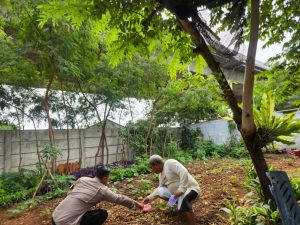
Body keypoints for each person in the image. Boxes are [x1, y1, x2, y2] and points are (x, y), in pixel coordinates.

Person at [52, 165, 143, 225]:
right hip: (65, 223)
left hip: (56, 216)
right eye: (108, 177)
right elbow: (119, 199)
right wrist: (136, 203)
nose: (108, 179)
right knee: (102, 214)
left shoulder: (82, 179)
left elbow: (74, 191)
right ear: (104, 177)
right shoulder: (102, 190)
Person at [143, 155, 201, 225]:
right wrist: (149, 198)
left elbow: (183, 172)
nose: (152, 169)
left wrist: (181, 189)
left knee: (183, 199)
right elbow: (159, 189)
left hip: (191, 189)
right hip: (177, 194)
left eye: (152, 167)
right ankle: (181, 208)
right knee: (160, 190)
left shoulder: (170, 163)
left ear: (156, 164)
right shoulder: (161, 175)